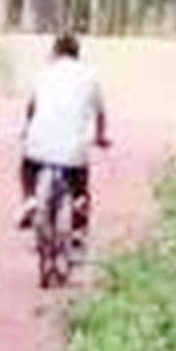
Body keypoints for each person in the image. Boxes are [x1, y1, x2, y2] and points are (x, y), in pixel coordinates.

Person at [16, 30, 111, 258]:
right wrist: (100, 137)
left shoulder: (42, 74)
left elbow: (31, 108)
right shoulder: (90, 76)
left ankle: (30, 199)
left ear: (55, 52)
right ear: (77, 53)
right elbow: (100, 114)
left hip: (38, 144)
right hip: (74, 149)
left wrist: (27, 130)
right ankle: (78, 227)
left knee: (28, 167)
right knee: (80, 184)